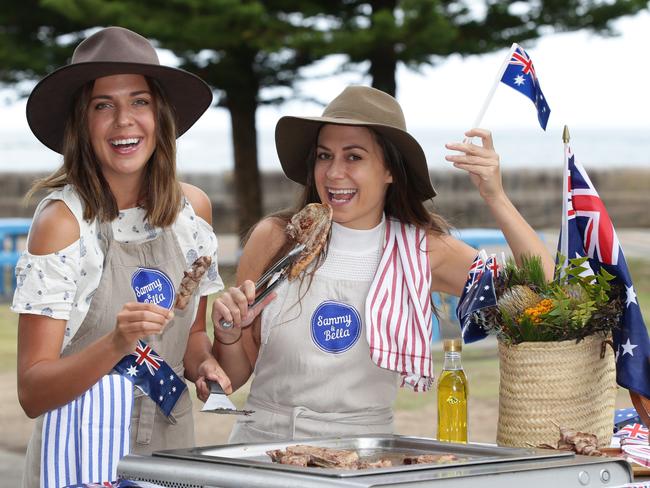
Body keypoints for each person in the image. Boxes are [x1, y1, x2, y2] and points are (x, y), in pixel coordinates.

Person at [211, 85, 555, 443]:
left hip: (364, 456)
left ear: (390, 169)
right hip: (262, 448)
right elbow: (233, 376)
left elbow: (542, 291)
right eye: (324, 156)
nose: (333, 173)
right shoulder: (276, 237)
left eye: (354, 157)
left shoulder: (422, 250)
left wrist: (495, 196)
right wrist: (230, 336)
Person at [13, 27, 230, 487]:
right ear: (82, 123)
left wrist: (206, 364)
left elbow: (190, 338)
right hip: (78, 451)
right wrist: (115, 343)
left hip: (173, 448)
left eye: (139, 101)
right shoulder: (62, 223)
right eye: (103, 105)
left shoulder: (194, 212)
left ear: (160, 116)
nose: (123, 120)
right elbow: (32, 392)